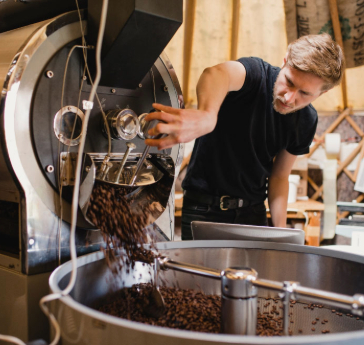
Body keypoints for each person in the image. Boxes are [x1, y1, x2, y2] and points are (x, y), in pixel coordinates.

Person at [145, 34, 345, 240]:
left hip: (253, 213)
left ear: (322, 93)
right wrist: (208, 114)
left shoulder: (306, 120)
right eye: (289, 82)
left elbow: (279, 177)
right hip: (204, 208)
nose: (289, 98)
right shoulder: (256, 75)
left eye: (304, 93)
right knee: (199, 273)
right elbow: (215, 74)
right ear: (285, 61)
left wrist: (281, 234)